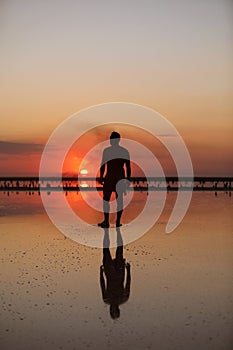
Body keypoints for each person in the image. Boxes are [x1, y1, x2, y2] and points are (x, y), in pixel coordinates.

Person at [98, 131, 131, 228]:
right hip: (115, 178)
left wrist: (101, 176)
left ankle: (113, 221)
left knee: (112, 200)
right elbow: (103, 164)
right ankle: (111, 221)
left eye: (112, 139)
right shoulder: (122, 151)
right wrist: (101, 176)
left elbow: (128, 167)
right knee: (112, 200)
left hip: (114, 178)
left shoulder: (109, 151)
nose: (111, 141)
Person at [100, 227, 131, 319]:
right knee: (119, 249)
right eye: (115, 311)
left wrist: (101, 274)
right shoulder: (123, 298)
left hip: (109, 273)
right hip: (119, 272)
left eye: (112, 311)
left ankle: (106, 232)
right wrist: (128, 271)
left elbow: (102, 285)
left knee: (105, 250)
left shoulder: (106, 299)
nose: (113, 309)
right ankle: (118, 230)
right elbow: (128, 284)